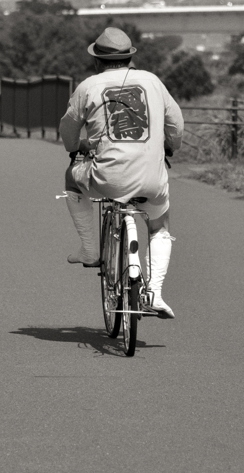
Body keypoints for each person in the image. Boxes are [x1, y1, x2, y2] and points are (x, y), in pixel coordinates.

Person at [58, 27, 184, 318]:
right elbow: (176, 126)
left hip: (107, 178)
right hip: (152, 180)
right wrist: (169, 146)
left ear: (97, 61)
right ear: (129, 58)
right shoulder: (153, 81)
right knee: (159, 226)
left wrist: (77, 146)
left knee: (71, 177)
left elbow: (68, 130)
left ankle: (90, 250)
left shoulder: (88, 86)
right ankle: (155, 291)